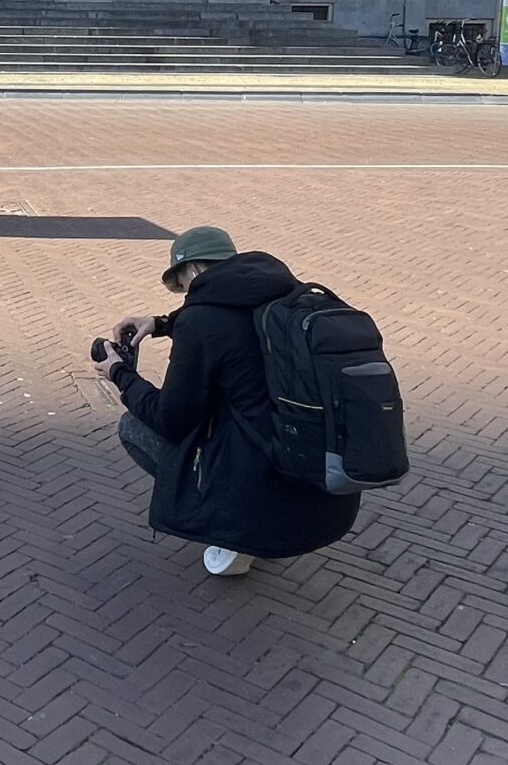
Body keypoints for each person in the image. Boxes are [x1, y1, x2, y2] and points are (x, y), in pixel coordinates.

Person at [95, 227, 361, 578]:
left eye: (181, 284)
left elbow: (170, 418)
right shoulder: (286, 295)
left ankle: (230, 528)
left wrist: (120, 374)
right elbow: (230, 325)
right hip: (327, 493)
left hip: (263, 486)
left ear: (191, 270)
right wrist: (160, 324)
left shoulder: (201, 321)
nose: (184, 295)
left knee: (134, 426)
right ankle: (259, 519)